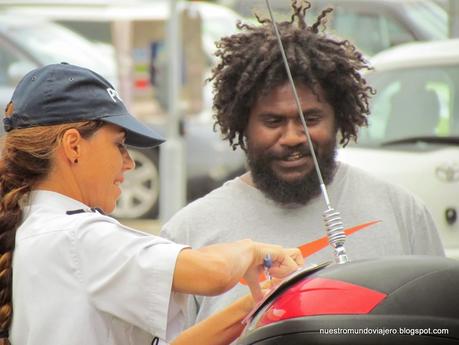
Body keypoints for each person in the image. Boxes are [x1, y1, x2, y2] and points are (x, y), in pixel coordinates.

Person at [160, 0, 445, 330]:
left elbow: (439, 323)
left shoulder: (402, 212)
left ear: (339, 118)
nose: (294, 137)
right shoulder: (189, 233)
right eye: (273, 121)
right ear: (242, 126)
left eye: (311, 119)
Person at [0, 62, 304, 345]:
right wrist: (254, 251)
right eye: (119, 144)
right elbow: (213, 273)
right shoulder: (79, 237)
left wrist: (256, 304)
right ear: (73, 145)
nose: (129, 162)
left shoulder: (33, 224)